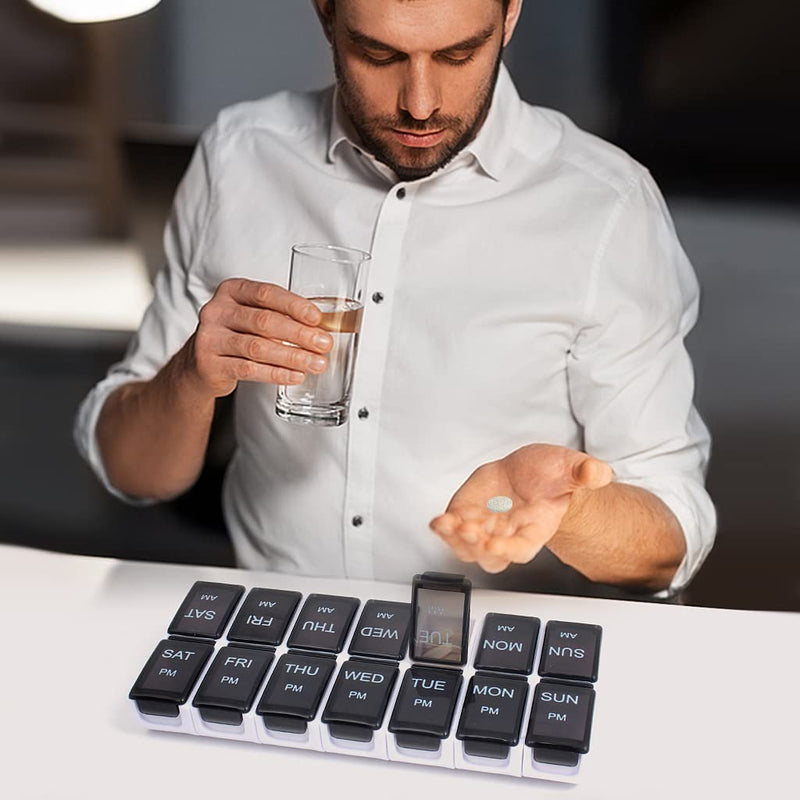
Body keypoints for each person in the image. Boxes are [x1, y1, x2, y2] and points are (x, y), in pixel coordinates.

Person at [75, 0, 715, 598]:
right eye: (379, 56)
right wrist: (190, 375)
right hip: (279, 626)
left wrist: (567, 508)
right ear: (326, 14)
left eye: (459, 55)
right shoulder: (238, 157)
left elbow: (673, 535)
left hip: (495, 651)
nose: (421, 104)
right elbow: (134, 471)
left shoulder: (607, 205)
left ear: (510, 14)